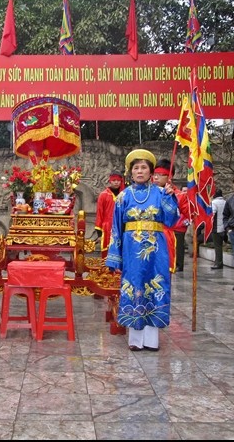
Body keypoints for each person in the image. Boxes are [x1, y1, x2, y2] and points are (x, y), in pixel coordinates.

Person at [106, 149, 179, 352]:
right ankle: (135, 340)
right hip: (131, 250)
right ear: (130, 172)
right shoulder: (123, 197)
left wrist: (171, 199)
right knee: (134, 285)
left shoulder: (161, 193)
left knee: (156, 287)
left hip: (157, 249)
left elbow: (171, 220)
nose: (140, 171)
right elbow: (116, 228)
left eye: (144, 168)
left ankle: (151, 340)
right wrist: (114, 257)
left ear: (151, 172)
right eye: (136, 168)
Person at [152, 159, 190, 273]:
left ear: (170, 176)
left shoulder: (179, 195)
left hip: (168, 236)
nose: (156, 178)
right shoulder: (148, 193)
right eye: (155, 174)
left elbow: (190, 214)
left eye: (161, 175)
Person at [93, 171, 124, 259]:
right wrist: (99, 233)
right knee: (107, 251)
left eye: (118, 180)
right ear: (110, 181)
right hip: (107, 227)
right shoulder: (103, 195)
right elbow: (100, 213)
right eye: (114, 180)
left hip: (121, 226)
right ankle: (106, 270)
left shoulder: (124, 195)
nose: (116, 182)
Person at [211, 188, 227, 269]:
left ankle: (218, 262)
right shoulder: (225, 202)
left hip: (216, 227)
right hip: (224, 227)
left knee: (217, 246)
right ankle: (219, 262)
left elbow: (212, 214)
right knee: (221, 245)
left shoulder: (214, 203)